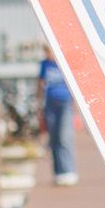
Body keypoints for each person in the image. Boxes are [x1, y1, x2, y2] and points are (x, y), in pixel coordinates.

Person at [38, 51, 78, 186]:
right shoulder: (44, 64)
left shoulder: (65, 62)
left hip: (65, 101)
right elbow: (41, 83)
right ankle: (58, 172)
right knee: (54, 138)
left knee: (64, 137)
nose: (48, 54)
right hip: (50, 103)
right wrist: (39, 104)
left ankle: (68, 170)